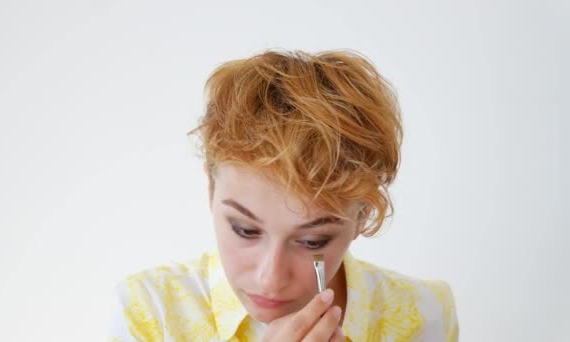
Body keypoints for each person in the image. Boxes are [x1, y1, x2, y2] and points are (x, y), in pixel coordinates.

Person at [107, 49, 459, 341]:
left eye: (311, 240)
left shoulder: (422, 315)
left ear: (363, 215)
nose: (270, 279)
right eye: (245, 230)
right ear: (211, 189)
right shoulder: (152, 310)